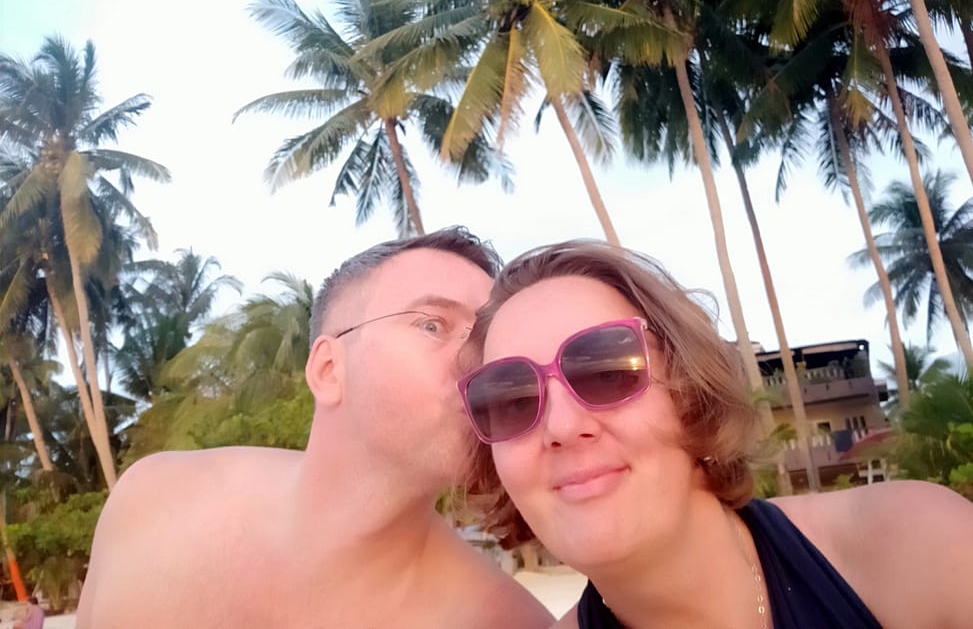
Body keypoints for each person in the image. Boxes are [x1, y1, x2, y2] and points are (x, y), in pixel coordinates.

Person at [458, 240, 973, 628]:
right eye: (511, 401)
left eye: (607, 371)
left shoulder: (915, 549)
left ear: (690, 391)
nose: (563, 427)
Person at [77, 227, 552, 629]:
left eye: (485, 341)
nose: (477, 361)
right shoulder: (152, 499)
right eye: (432, 325)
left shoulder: (507, 621)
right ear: (328, 369)